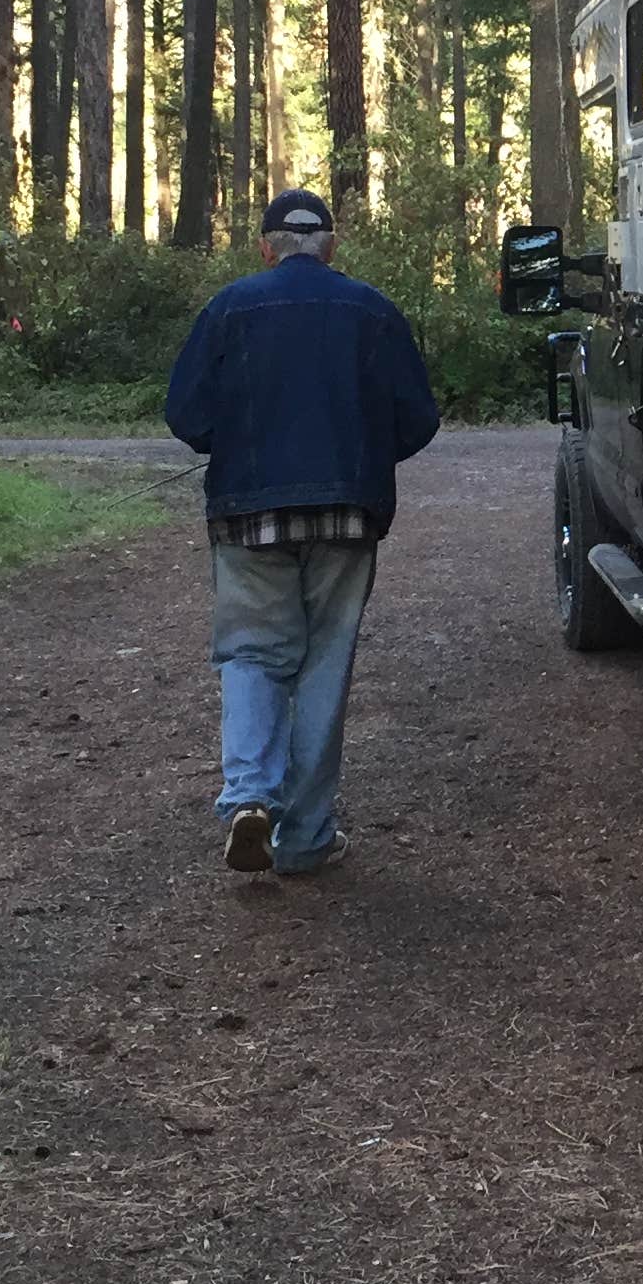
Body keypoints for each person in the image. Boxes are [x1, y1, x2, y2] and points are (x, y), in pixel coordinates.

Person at [165, 188, 442, 877]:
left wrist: (233, 440)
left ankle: (249, 797)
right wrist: (362, 458)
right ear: (331, 246)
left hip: (247, 514)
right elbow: (418, 419)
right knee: (325, 664)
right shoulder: (373, 311)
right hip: (348, 512)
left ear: (266, 249)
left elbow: (186, 414)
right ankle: (305, 838)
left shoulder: (228, 308)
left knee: (252, 654)